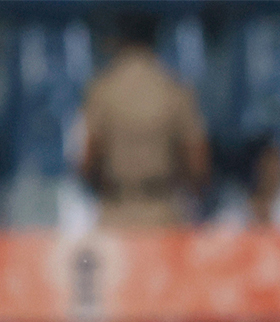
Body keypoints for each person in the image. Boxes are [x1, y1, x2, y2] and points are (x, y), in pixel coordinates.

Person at [81, 11, 209, 228]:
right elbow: (198, 164)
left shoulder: (102, 89)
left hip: (115, 211)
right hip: (163, 211)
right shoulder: (175, 89)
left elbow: (87, 160)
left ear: (120, 39)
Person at [213, 135, 280, 233]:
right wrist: (252, 216)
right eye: (266, 165)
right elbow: (218, 237)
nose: (272, 171)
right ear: (255, 167)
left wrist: (268, 220)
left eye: (276, 163)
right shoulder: (234, 198)